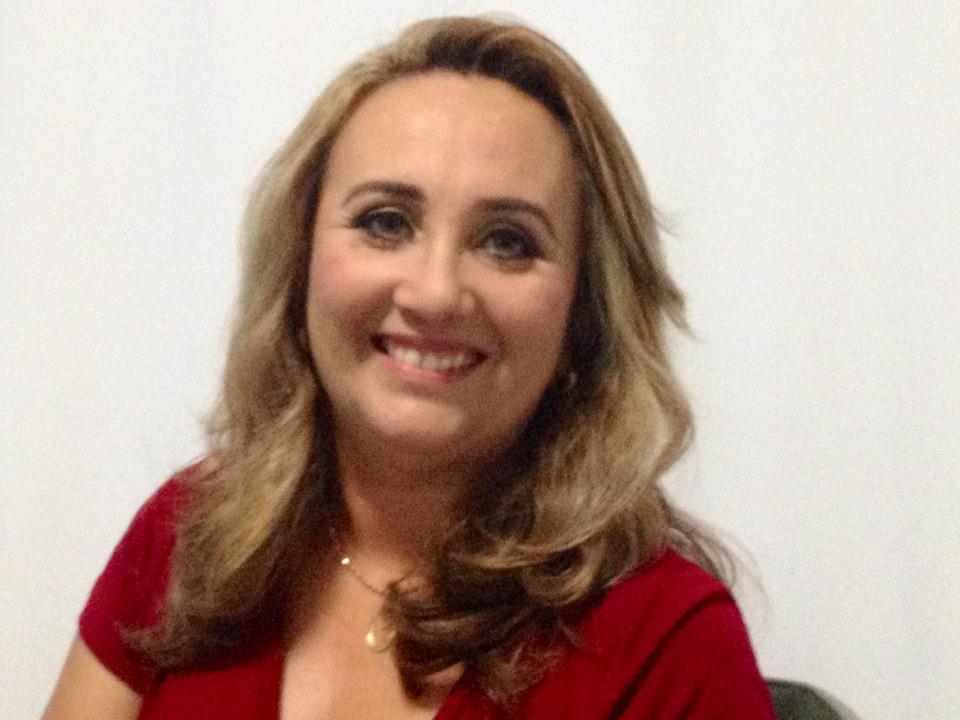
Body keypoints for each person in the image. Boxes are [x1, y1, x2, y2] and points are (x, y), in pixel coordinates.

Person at [42, 16, 775, 720]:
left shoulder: (671, 644)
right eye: (385, 222)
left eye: (508, 241)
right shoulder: (194, 536)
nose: (434, 293)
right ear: (299, 266)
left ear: (584, 316)